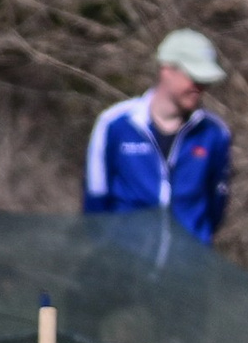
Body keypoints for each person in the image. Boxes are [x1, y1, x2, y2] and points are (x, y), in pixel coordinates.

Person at [83, 29, 234, 243]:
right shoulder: (115, 123)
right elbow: (96, 200)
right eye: (194, 77)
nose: (200, 87)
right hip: (125, 266)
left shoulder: (215, 133)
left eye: (205, 80)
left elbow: (216, 206)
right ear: (167, 69)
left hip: (187, 269)